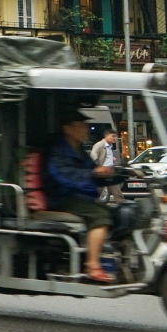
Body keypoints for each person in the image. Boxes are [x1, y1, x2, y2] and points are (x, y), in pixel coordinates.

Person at [45, 105, 120, 283]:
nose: (86, 129)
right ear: (67, 129)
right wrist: (94, 173)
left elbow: (93, 171)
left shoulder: (78, 150)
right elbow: (64, 175)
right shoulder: (58, 150)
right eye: (81, 124)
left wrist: (116, 173)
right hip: (61, 197)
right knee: (100, 216)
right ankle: (92, 265)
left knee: (120, 213)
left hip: (78, 197)